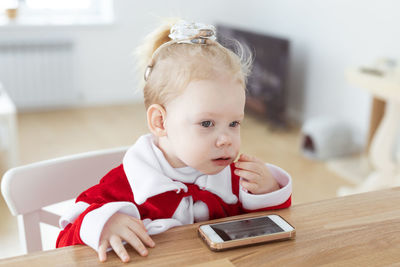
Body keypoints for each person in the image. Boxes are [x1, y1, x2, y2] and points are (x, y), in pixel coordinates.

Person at [56, 19, 292, 263]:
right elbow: (63, 242)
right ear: (160, 122)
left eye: (234, 123)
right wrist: (103, 224)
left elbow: (267, 238)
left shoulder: (235, 180)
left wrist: (268, 192)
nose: (226, 140)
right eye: (207, 124)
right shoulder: (125, 187)